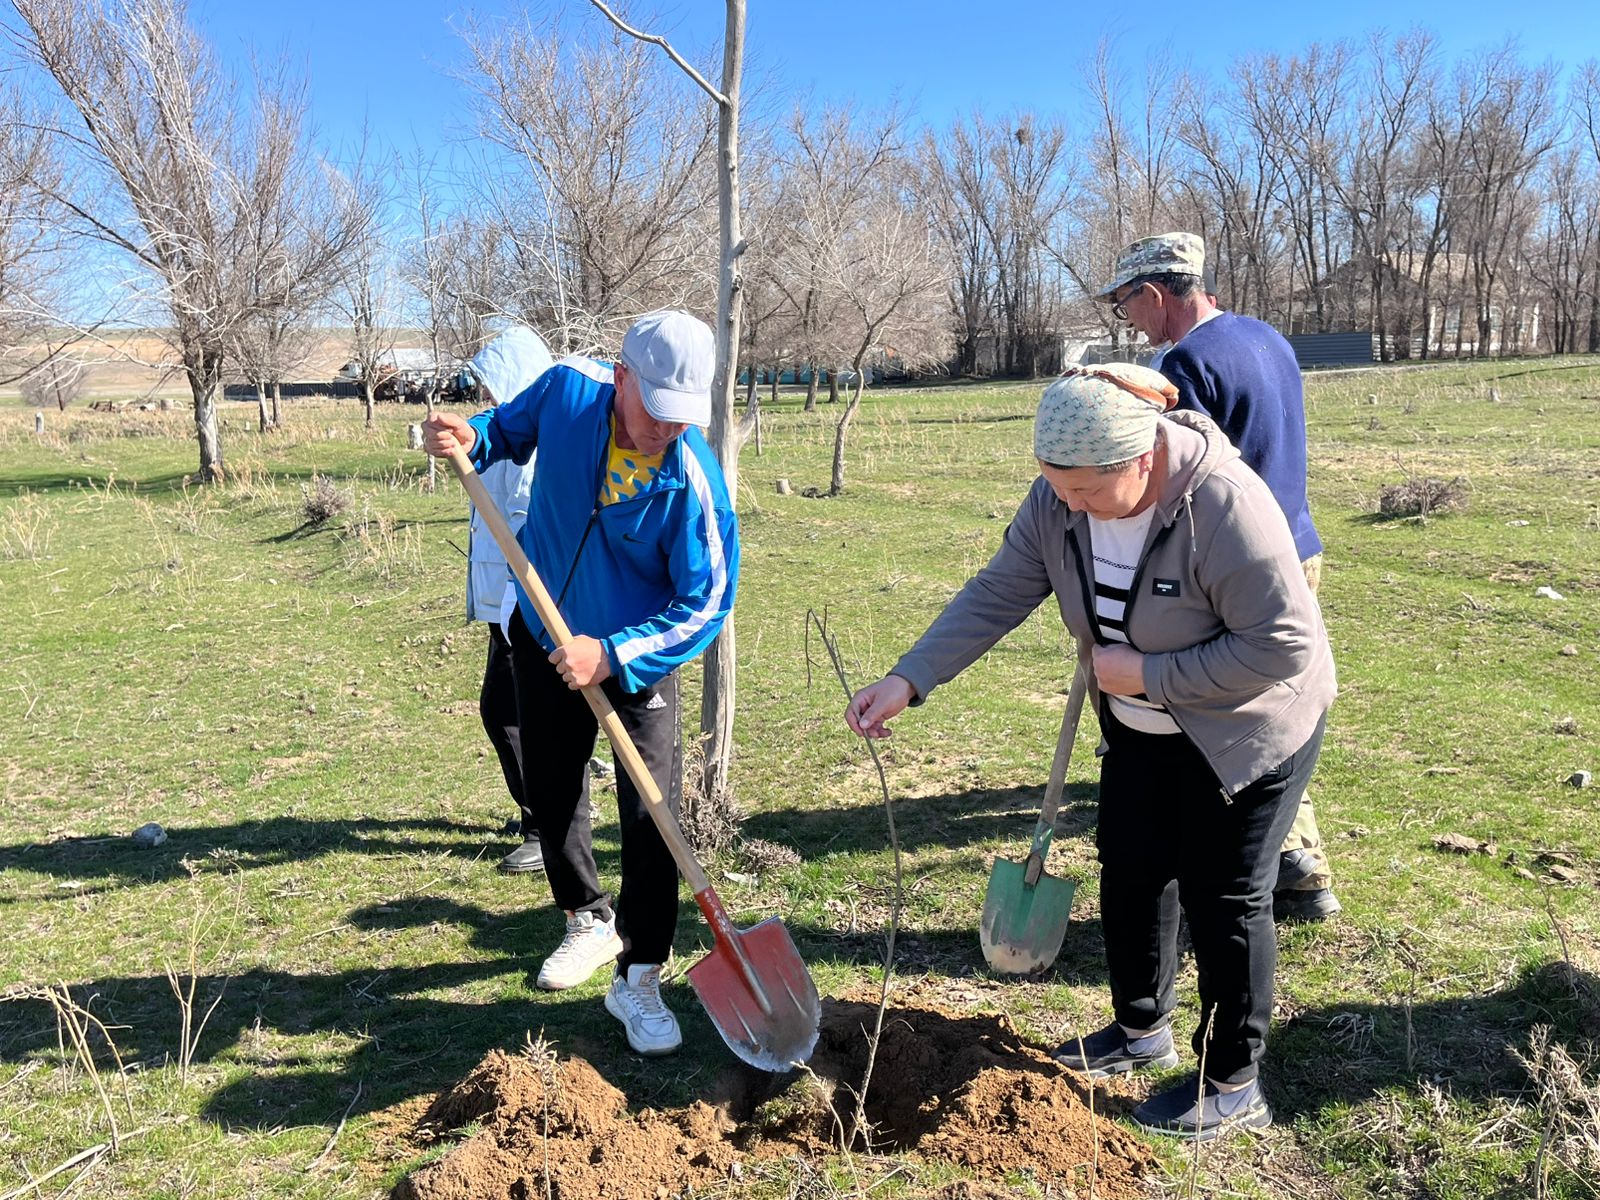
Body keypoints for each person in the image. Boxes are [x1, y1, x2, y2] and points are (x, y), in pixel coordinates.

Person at [845, 364, 1335, 1139]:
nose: (1068, 506)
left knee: (1225, 899)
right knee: (1133, 870)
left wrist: (1149, 673)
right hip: (1141, 730)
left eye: (1083, 492)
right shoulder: (1059, 498)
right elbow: (1001, 586)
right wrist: (911, 677)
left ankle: (1233, 1082)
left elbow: (1282, 646)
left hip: (1247, 730)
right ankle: (1141, 1031)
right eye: (1056, 488)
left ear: (1141, 459)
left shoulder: (1225, 506)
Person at [423, 309, 739, 1057]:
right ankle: (587, 919)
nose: (668, 429)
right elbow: (507, 429)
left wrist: (617, 653)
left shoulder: (694, 481)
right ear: (622, 377)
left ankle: (640, 977)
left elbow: (707, 603)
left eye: (682, 416)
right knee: (553, 787)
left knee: (651, 813)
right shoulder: (568, 392)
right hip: (542, 627)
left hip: (634, 659)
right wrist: (472, 435)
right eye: (657, 410)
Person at [1097, 232, 1340, 923]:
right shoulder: (1266, 339)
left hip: (1228, 567)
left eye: (1126, 306)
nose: (1131, 321)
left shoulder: (1181, 365)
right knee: (1279, 701)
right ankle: (1298, 864)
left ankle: (1272, 866)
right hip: (1298, 545)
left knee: (1236, 715)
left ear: (1153, 294)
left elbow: (1173, 481)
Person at [459, 325, 554, 874]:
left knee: (512, 715)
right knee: (507, 713)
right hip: (504, 606)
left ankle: (546, 828)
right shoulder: (503, 436)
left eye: (495, 387)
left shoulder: (539, 453)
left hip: (528, 608)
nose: (487, 397)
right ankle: (544, 816)